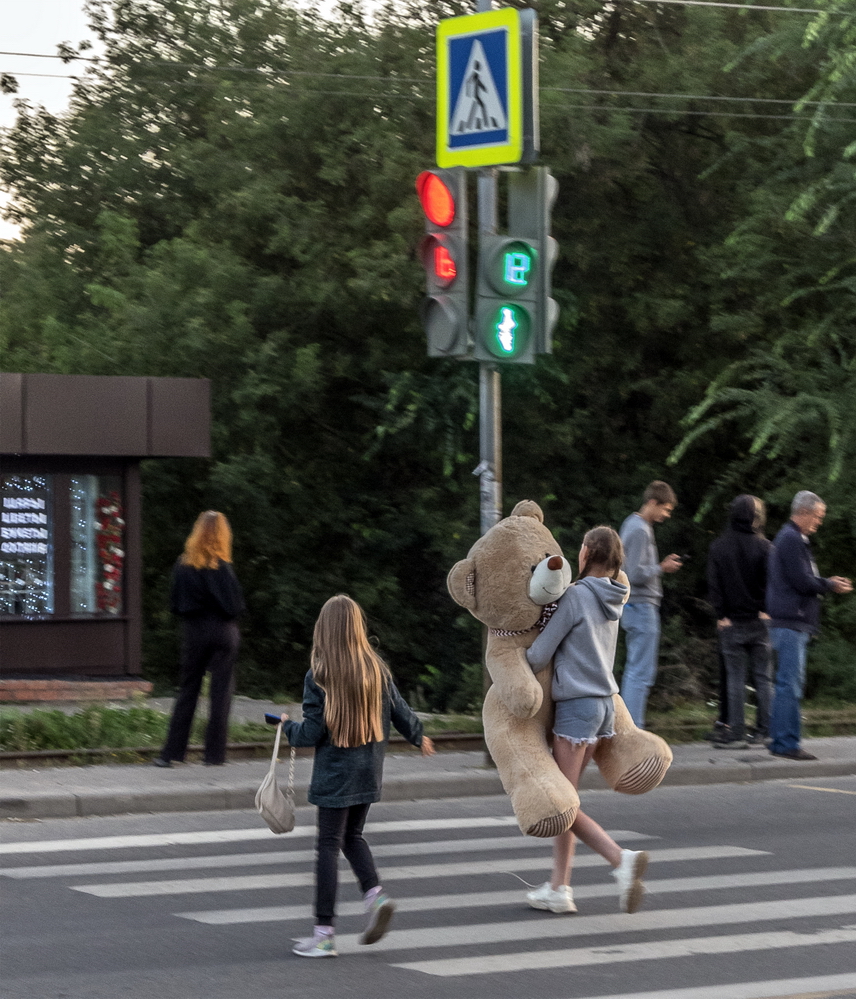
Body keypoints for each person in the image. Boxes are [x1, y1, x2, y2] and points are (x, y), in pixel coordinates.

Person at [279, 594, 435, 958]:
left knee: (327, 847)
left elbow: (311, 734)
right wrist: (418, 736)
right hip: (369, 771)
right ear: (357, 629)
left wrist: (287, 728)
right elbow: (400, 709)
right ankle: (376, 897)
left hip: (336, 775)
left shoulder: (319, 675)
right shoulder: (376, 668)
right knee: (353, 836)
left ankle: (324, 934)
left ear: (324, 630)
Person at [524, 527, 650, 916]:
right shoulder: (615, 596)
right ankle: (560, 887)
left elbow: (538, 656)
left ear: (588, 553)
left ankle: (620, 859)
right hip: (603, 706)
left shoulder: (577, 596)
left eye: (581, 546)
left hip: (577, 707)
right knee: (568, 798)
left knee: (561, 804)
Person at [766, 491, 852, 761]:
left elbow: (803, 578)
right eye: (817, 516)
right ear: (803, 512)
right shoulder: (791, 539)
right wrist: (829, 584)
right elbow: (802, 581)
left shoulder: (794, 538)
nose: (819, 522)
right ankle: (785, 742)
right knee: (789, 684)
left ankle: (784, 740)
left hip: (793, 621)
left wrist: (825, 581)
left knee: (789, 683)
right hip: (791, 621)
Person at [155, 511, 244, 768]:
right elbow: (235, 606)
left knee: (188, 690)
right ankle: (214, 755)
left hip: (194, 631)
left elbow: (175, 604)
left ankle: (171, 753)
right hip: (223, 632)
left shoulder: (183, 566)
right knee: (221, 693)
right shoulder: (223, 568)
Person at [707, 495, 774, 748]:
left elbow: (715, 585)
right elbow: (772, 582)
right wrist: (766, 609)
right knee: (763, 678)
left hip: (731, 622)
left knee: (735, 678)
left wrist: (721, 614)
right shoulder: (766, 547)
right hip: (760, 621)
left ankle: (735, 732)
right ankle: (765, 730)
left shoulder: (719, 547)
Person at [618, 481, 682, 728]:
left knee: (637, 668)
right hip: (641, 605)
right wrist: (661, 568)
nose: (666, 515)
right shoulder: (640, 530)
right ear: (652, 503)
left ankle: (628, 726)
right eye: (665, 509)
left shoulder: (631, 524)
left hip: (635, 606)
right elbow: (632, 573)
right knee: (641, 672)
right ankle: (633, 729)